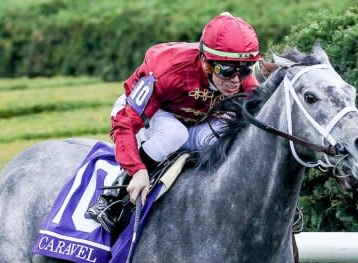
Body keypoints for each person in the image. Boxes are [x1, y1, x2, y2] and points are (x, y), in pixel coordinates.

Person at [86, 12, 263, 232]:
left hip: (195, 119)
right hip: (148, 115)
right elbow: (125, 123)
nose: (236, 80)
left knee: (228, 131)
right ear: (206, 62)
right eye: (226, 71)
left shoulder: (238, 74)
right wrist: (136, 169)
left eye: (245, 71)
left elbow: (258, 117)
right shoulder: (167, 69)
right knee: (174, 134)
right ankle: (113, 196)